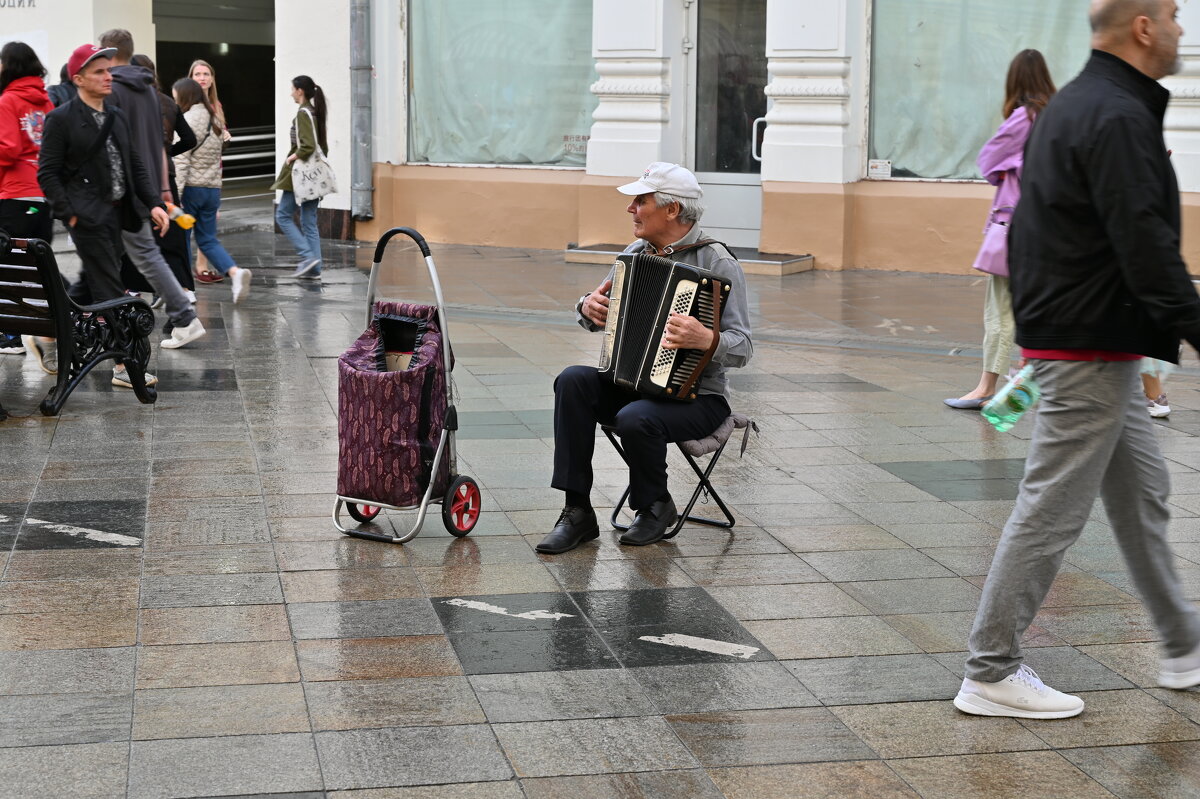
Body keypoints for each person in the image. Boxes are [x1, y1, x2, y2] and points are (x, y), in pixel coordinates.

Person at [956, 0, 1200, 721]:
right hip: (1088, 344)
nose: (1184, 31)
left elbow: (1034, 226)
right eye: (1177, 18)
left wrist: (1040, 328)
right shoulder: (1114, 115)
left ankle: (1183, 642)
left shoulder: (1080, 105)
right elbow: (1147, 245)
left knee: (1142, 494)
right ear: (1145, 27)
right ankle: (990, 668)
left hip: (1096, 339)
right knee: (1051, 509)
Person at [535, 162, 753, 555]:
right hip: (631, 382)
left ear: (672, 209)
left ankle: (654, 505)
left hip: (698, 398)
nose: (630, 209)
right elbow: (596, 312)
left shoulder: (718, 262)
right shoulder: (635, 253)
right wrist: (587, 307)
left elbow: (743, 347)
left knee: (637, 416)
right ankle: (577, 511)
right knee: (573, 380)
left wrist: (706, 338)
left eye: (640, 200)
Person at [36, 44, 171, 386]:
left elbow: (135, 164)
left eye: (109, 69)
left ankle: (50, 331)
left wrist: (154, 202)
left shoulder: (116, 115)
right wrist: (71, 215)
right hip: (87, 218)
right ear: (78, 78)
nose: (108, 76)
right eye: (99, 71)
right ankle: (124, 368)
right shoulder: (61, 118)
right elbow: (47, 173)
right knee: (111, 288)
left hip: (118, 214)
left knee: (90, 283)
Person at [945, 50, 1056, 410]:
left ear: (1015, 81)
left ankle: (986, 389)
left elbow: (988, 160)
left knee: (1000, 310)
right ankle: (1031, 390)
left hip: (1015, 229)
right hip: (1049, 229)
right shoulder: (1057, 117)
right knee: (1039, 310)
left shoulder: (1024, 117)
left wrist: (1008, 170)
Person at [97, 28, 204, 350]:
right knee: (136, 256)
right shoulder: (150, 91)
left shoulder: (110, 87)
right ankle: (182, 317)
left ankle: (66, 330)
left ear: (108, 52)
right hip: (146, 185)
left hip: (119, 189)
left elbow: (112, 144)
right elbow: (157, 144)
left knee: (105, 259)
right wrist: (161, 192)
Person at [122, 53, 196, 305]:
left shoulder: (129, 102)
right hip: (166, 178)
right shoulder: (167, 102)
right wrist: (167, 152)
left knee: (136, 234)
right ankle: (184, 289)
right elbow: (190, 139)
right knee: (171, 238)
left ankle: (134, 289)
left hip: (137, 178)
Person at [173, 77, 250, 302]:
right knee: (207, 239)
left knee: (182, 238)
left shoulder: (187, 119)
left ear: (185, 96)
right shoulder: (215, 119)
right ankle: (235, 273)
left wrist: (175, 196)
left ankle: (187, 290)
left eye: (176, 95)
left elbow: (182, 160)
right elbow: (217, 158)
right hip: (212, 189)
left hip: (191, 189)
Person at [0, 41, 54, 358]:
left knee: (6, 266)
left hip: (15, 195)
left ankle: (11, 335)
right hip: (41, 197)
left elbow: (7, 149)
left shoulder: (8, 101)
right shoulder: (45, 103)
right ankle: (47, 328)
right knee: (37, 263)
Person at [271, 75, 328, 280]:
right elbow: (323, 147)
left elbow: (308, 146)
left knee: (283, 215)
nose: (290, 93)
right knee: (308, 221)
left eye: (292, 89)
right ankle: (315, 269)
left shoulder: (303, 113)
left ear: (300, 91)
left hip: (299, 174)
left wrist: (292, 158)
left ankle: (307, 257)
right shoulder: (315, 112)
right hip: (314, 175)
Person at [188, 59, 231, 285]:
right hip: (191, 175)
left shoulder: (217, 105)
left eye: (206, 74)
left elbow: (220, 134)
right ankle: (183, 277)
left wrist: (225, 136)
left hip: (212, 174)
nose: (202, 78)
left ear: (212, 79)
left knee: (208, 224)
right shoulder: (186, 105)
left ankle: (201, 267)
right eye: (198, 74)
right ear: (191, 78)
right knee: (186, 228)